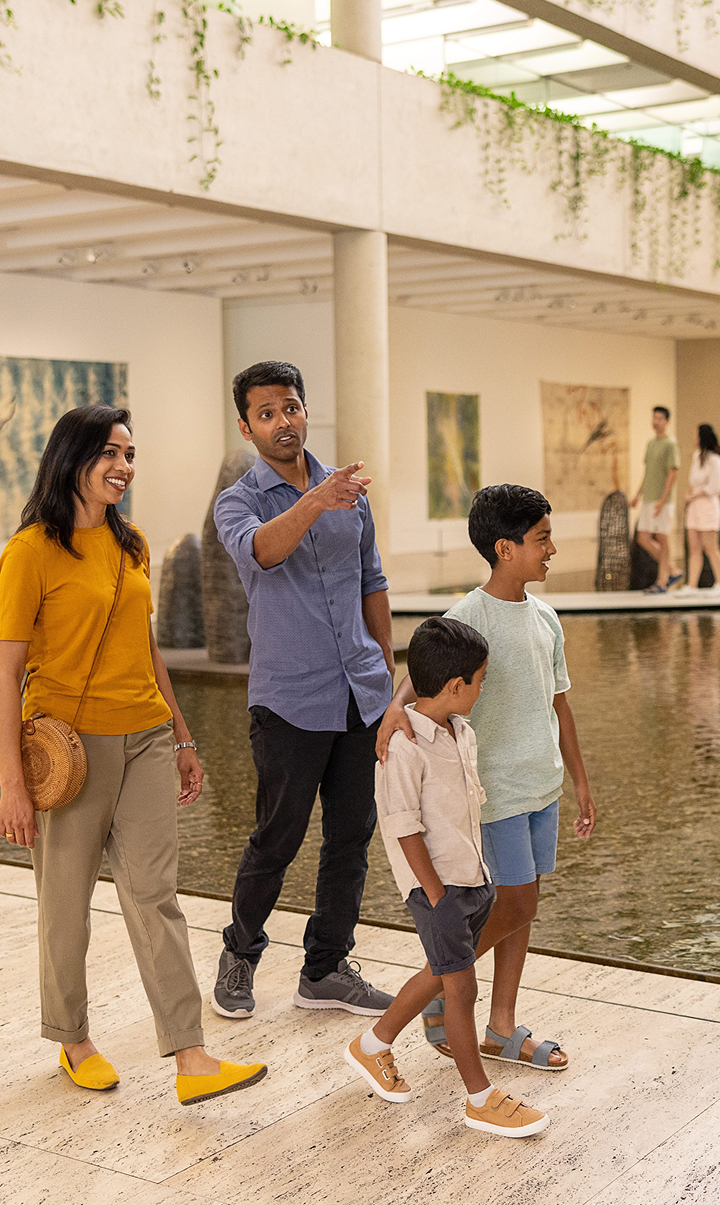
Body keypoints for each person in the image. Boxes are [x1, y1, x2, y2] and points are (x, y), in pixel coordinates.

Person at [0, 404, 266, 1106]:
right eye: (111, 453)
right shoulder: (30, 550)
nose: (125, 466)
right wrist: (8, 780)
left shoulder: (132, 543)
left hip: (145, 736)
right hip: (68, 748)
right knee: (66, 901)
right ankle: (72, 1037)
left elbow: (146, 649)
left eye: (131, 453)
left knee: (156, 897)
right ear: (73, 458)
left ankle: (192, 1055)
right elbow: (6, 669)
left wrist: (181, 734)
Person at [377, 484, 596, 1070]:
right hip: (493, 793)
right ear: (505, 547)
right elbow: (427, 664)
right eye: (542, 538)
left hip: (539, 788)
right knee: (516, 905)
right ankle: (439, 989)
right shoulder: (469, 615)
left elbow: (560, 704)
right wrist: (396, 708)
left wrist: (578, 780)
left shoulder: (546, 618)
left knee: (524, 909)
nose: (552, 548)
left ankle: (500, 1024)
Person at [212, 360, 395, 1021]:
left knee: (351, 837)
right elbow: (263, 551)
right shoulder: (239, 501)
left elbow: (372, 582)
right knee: (277, 836)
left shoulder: (352, 496)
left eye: (291, 406)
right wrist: (316, 500)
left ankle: (324, 967)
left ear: (305, 409)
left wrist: (389, 680)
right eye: (267, 413)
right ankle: (240, 949)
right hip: (288, 699)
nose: (283, 421)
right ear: (247, 426)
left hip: (360, 694)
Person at [345, 616, 549, 1137]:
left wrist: (477, 881)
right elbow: (404, 827)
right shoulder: (403, 747)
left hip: (472, 876)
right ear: (456, 685)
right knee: (460, 988)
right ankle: (480, 1098)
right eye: (481, 679)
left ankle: (372, 1045)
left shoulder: (462, 732)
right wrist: (437, 897)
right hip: (437, 891)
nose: (484, 688)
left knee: (442, 972)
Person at [631, 406, 682, 594]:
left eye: (660, 418)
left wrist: (663, 499)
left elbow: (672, 473)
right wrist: (637, 495)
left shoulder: (671, 444)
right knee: (643, 537)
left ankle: (662, 581)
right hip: (648, 498)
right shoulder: (651, 444)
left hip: (663, 500)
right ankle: (672, 569)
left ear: (667, 421)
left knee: (662, 537)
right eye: (654, 418)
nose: (656, 421)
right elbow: (648, 473)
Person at [676, 423, 720, 594]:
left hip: (708, 506)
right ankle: (692, 585)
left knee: (711, 547)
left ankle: (719, 582)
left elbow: (714, 487)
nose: (694, 438)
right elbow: (693, 482)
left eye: (696, 435)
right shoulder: (696, 456)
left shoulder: (715, 460)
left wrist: (695, 495)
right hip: (694, 507)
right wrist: (689, 496)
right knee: (694, 547)